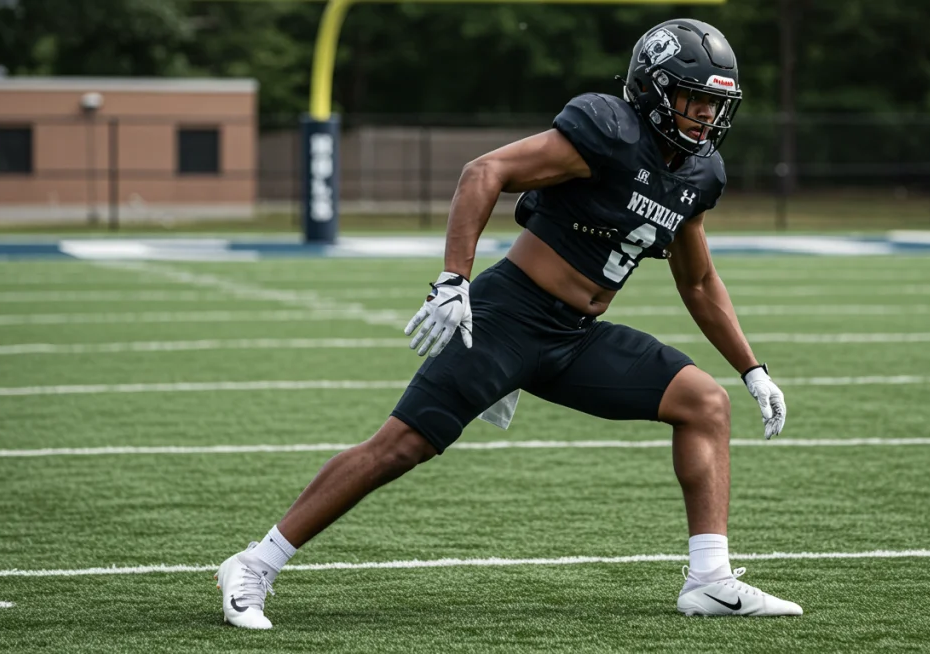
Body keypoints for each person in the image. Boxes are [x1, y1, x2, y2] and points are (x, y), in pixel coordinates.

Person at [215, 18, 799, 629]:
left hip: (576, 338)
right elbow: (483, 172)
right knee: (402, 446)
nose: (706, 115)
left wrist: (751, 369)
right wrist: (454, 279)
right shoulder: (608, 130)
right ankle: (255, 563)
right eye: (693, 98)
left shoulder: (700, 174)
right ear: (653, 90)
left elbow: (698, 281)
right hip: (509, 318)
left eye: (715, 103)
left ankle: (709, 580)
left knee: (705, 403)